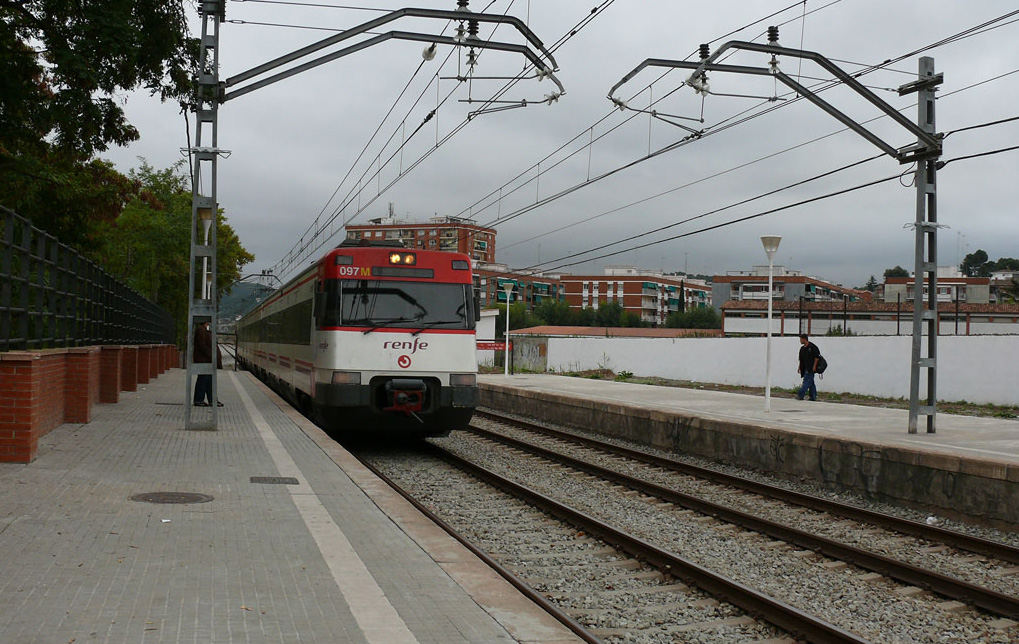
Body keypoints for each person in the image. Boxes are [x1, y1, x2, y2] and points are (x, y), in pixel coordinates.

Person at [193, 321, 224, 407]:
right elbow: (202, 345)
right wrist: (211, 355)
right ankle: (198, 400)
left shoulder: (204, 330)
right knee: (203, 380)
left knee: (208, 381)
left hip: (207, 360)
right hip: (204, 360)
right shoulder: (201, 330)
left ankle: (212, 400)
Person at [797, 333, 820, 401]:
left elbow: (817, 357)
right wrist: (799, 367)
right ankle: (813, 396)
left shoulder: (812, 347)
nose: (800, 341)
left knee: (806, 382)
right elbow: (801, 359)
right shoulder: (802, 349)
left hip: (811, 368)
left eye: (801, 339)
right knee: (811, 382)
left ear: (804, 339)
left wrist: (814, 366)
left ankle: (800, 394)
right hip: (805, 368)